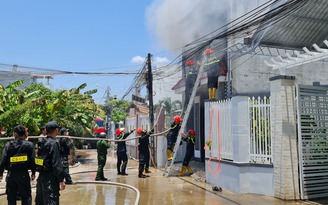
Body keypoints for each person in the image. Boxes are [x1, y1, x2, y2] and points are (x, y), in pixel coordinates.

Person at [0, 125, 36, 205]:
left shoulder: (8, 145)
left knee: (11, 199)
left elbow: (3, 160)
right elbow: (33, 160)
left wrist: (1, 173)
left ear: (15, 134)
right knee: (26, 197)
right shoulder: (29, 145)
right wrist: (33, 172)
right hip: (23, 174)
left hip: (11, 174)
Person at [35, 121, 65, 205]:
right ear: (56, 130)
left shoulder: (42, 142)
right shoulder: (53, 144)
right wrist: (61, 180)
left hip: (41, 178)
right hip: (50, 180)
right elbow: (56, 164)